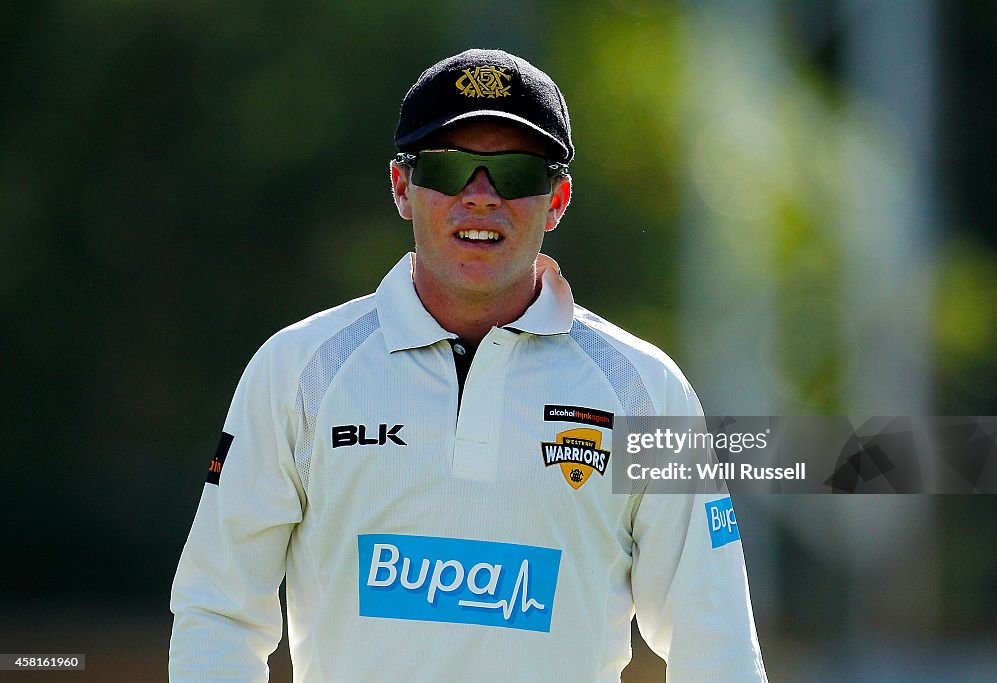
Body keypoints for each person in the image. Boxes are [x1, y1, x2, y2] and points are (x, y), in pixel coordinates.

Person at [170, 48, 768, 682]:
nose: (480, 198)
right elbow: (219, 615)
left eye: (515, 174)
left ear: (557, 198)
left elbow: (717, 647)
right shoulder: (297, 370)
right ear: (402, 187)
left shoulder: (647, 390)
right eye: (450, 167)